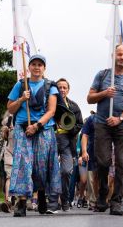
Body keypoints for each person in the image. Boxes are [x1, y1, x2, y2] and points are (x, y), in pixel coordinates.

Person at [86, 44, 123, 216]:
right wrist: (104, 94)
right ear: (113, 55)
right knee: (102, 162)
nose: (122, 58)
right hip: (102, 124)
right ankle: (103, 194)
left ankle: (116, 200)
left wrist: (120, 118)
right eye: (119, 54)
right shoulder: (102, 75)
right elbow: (89, 98)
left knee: (122, 164)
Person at [7, 54, 61, 217]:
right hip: (22, 128)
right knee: (23, 163)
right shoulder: (20, 85)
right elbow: (10, 108)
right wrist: (22, 98)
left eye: (40, 65)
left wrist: (36, 126)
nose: (36, 67)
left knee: (41, 165)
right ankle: (22, 202)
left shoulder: (51, 86)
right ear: (28, 67)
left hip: (43, 129)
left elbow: (51, 111)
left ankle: (42, 193)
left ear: (44, 68)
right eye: (33, 64)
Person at [47, 78, 83, 213]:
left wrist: (69, 128)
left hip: (68, 142)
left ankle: (66, 199)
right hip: (51, 139)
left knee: (66, 171)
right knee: (52, 172)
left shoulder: (74, 106)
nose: (62, 89)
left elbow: (80, 124)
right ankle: (52, 203)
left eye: (64, 87)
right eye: (59, 87)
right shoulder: (49, 102)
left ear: (68, 90)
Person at [80, 111, 98, 211]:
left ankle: (105, 199)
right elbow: (84, 136)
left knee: (109, 179)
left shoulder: (111, 117)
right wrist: (83, 152)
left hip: (107, 152)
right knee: (91, 178)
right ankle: (93, 201)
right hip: (91, 152)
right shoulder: (91, 119)